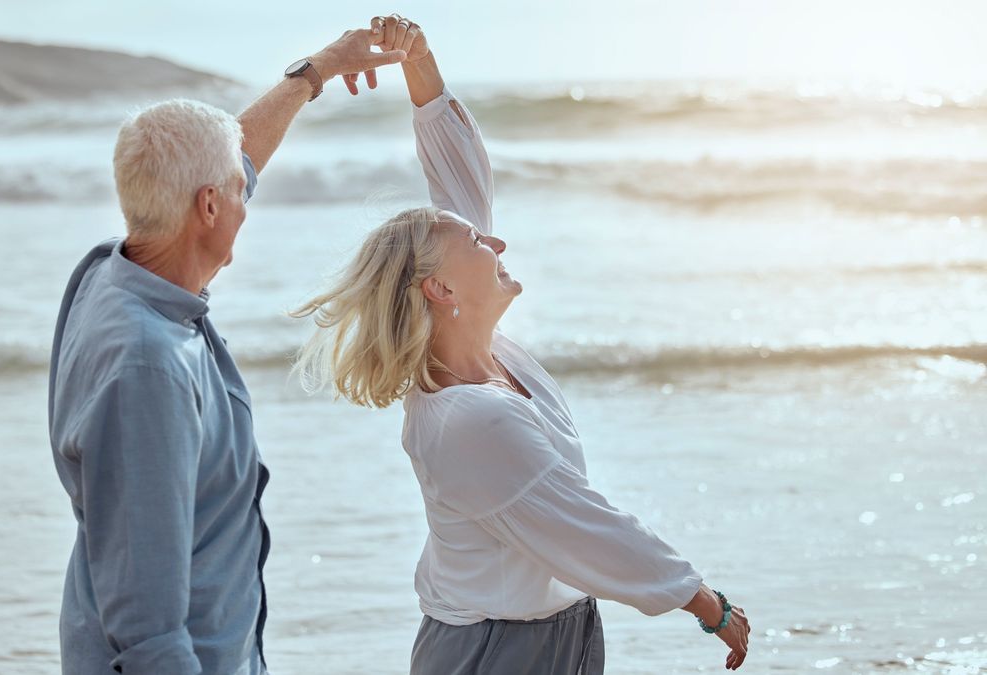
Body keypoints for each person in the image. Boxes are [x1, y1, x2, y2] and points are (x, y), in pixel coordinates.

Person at [292, 15, 752, 674]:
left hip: (556, 628)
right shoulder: (471, 419)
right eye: (481, 244)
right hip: (494, 648)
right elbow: (589, 526)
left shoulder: (483, 349)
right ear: (442, 289)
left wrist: (418, 62)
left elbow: (461, 183)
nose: (497, 242)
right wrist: (707, 603)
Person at [46, 27, 407, 675]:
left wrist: (319, 70)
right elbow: (147, 628)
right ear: (208, 206)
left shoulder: (112, 267)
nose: (248, 197)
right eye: (236, 192)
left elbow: (237, 159)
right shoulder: (146, 367)